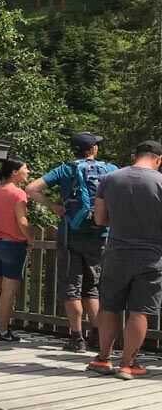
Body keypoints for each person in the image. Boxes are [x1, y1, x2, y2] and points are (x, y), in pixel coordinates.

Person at [26, 132, 117, 352]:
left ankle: (77, 339)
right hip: (100, 235)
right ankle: (97, 336)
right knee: (92, 288)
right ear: (93, 149)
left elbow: (31, 188)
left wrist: (53, 206)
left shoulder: (65, 170)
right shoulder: (111, 170)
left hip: (70, 234)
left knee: (72, 288)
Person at [86, 141, 162, 380]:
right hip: (151, 257)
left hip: (116, 253)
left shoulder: (111, 178)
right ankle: (128, 365)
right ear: (159, 159)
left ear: (135, 155)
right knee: (139, 311)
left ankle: (103, 358)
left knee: (110, 307)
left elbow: (99, 219)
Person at [0, 158, 32, 343]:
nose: (28, 172)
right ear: (14, 172)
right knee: (8, 290)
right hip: (13, 244)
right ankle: (2, 331)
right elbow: (22, 221)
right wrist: (31, 237)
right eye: (25, 169)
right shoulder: (19, 194)